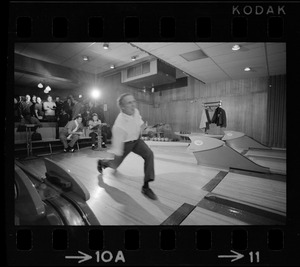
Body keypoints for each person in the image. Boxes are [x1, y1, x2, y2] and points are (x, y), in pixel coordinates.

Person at [97, 93, 157, 200]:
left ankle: (146, 187)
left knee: (149, 155)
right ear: (122, 107)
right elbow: (117, 149)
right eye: (129, 103)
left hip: (137, 141)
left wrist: (147, 131)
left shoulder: (135, 111)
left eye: (134, 101)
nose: (133, 105)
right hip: (125, 144)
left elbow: (139, 124)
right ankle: (102, 162)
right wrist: (115, 167)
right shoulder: (119, 126)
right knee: (114, 164)